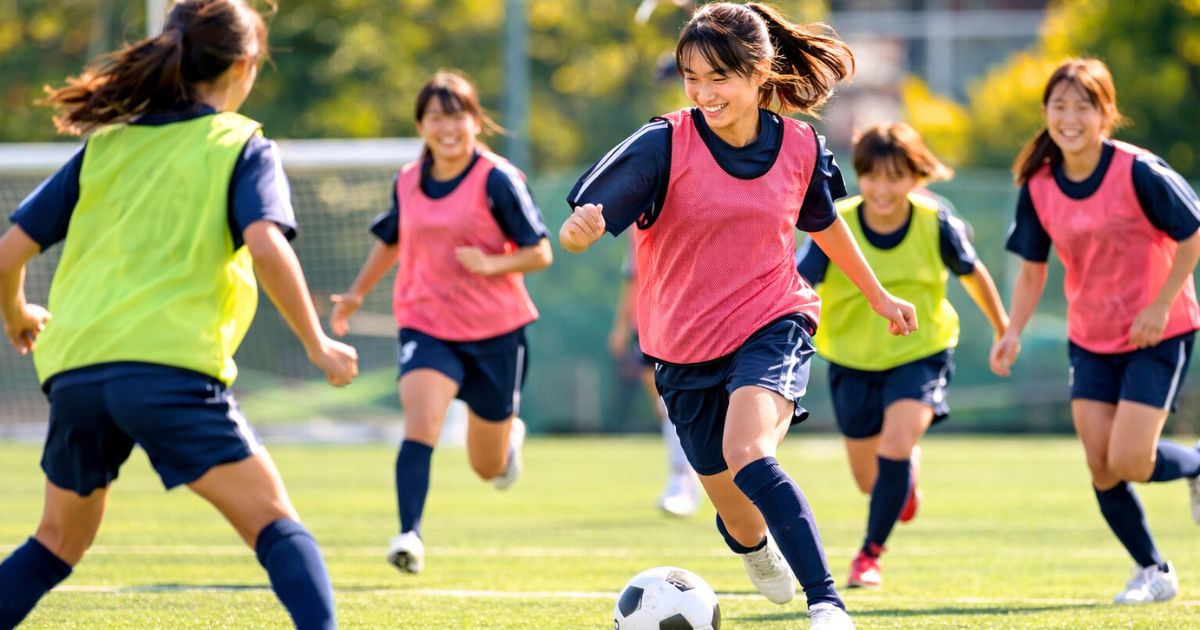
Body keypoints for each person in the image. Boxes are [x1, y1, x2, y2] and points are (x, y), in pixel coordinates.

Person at [559, 3, 917, 628]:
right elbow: (580, 227)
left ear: (758, 73)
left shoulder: (801, 146)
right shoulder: (663, 142)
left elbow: (825, 225)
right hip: (681, 348)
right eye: (691, 77)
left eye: (717, 77)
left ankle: (827, 604)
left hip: (772, 319)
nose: (702, 92)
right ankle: (755, 548)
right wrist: (580, 232)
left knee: (749, 450)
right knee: (739, 516)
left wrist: (878, 294)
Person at [0, 2, 357, 628]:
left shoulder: (105, 147)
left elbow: (7, 254)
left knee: (56, 543)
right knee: (275, 524)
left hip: (76, 373)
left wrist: (16, 315)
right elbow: (268, 245)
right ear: (246, 64)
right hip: (167, 372)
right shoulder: (239, 143)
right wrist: (317, 343)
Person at [992, 57, 1200, 605]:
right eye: (1058, 106)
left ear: (1106, 114)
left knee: (1132, 459)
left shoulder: (1138, 171)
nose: (1069, 117)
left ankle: (1195, 463)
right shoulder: (1038, 185)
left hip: (1159, 331)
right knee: (1100, 462)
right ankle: (1152, 569)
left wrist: (1159, 305)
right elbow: (1033, 269)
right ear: (1046, 113)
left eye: (1082, 106)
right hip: (1090, 338)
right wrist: (1012, 331)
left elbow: (1192, 234)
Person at [330, 71, 552, 576]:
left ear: (476, 122)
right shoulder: (407, 180)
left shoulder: (497, 179)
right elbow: (392, 239)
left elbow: (540, 251)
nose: (447, 128)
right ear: (421, 125)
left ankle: (506, 441)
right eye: (436, 117)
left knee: (486, 466)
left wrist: (492, 263)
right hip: (426, 324)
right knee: (420, 422)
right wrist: (357, 294)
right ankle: (409, 534)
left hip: (496, 331)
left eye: (457, 117)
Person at [797, 122, 1008, 589]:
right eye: (872, 176)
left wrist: (1003, 329)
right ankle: (902, 483)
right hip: (851, 359)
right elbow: (801, 282)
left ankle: (869, 555)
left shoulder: (937, 223)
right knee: (871, 482)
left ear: (915, 178)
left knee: (896, 444)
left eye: (895, 177)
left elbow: (974, 274)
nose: (882, 188)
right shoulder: (837, 223)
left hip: (922, 351)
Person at [608, 240, 701, 517]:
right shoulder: (637, 213)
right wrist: (622, 325)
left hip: (698, 316)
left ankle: (696, 475)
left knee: (699, 404)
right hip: (652, 321)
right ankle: (682, 478)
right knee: (668, 407)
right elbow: (633, 273)